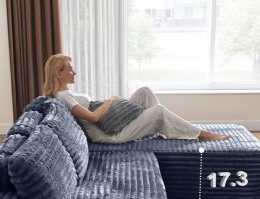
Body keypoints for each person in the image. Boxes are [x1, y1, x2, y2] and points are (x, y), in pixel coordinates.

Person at [42, 54, 229, 143]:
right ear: (58, 74)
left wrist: (111, 104)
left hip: (109, 125)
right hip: (110, 135)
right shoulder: (64, 97)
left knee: (144, 92)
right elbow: (94, 118)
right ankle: (200, 134)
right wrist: (110, 101)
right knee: (158, 111)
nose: (74, 72)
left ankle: (162, 126)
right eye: (70, 70)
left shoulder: (65, 93)